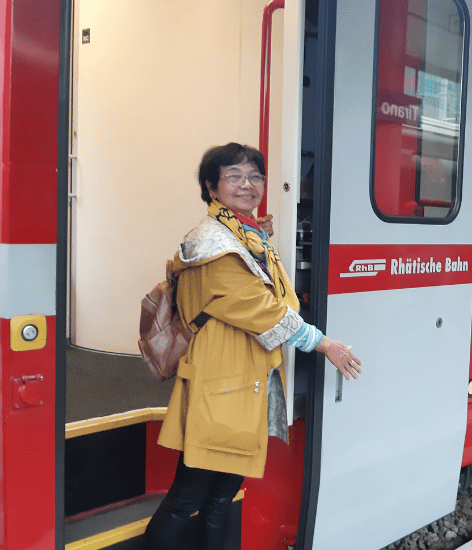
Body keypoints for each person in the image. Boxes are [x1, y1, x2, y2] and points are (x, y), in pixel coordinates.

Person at [144, 143, 362, 549]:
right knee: (186, 498)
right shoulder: (214, 246)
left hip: (241, 386)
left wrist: (256, 235)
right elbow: (264, 310)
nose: (248, 185)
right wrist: (325, 344)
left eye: (255, 176)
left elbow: (283, 299)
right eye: (234, 177)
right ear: (211, 187)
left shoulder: (241, 236)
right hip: (218, 386)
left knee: (222, 497)